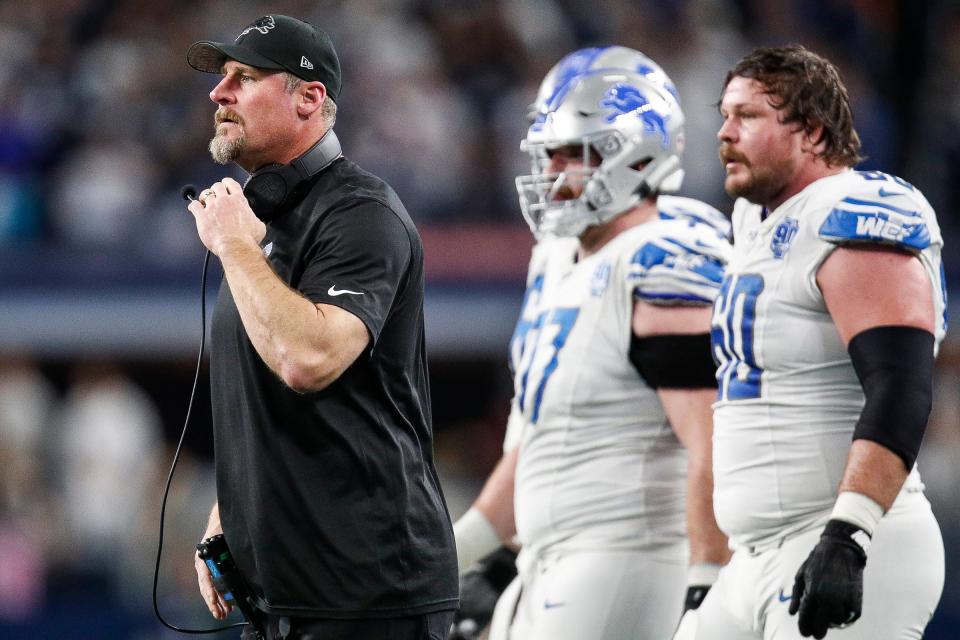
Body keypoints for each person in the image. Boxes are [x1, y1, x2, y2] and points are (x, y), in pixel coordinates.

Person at [183, 15, 458, 640]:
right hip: (285, 597)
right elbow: (267, 391)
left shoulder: (359, 213)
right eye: (222, 77)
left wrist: (233, 246)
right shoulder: (264, 225)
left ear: (309, 98)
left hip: (369, 598)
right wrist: (233, 510)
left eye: (244, 77)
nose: (218, 94)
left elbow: (308, 360)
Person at [450, 46, 733, 640]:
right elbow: (547, 434)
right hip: (550, 557)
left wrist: (709, 580)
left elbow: (713, 444)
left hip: (622, 554)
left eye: (571, 156)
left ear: (634, 156)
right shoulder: (562, 259)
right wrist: (468, 553)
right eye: (547, 154)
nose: (551, 174)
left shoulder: (664, 258)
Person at [674, 45, 946, 640]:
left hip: (840, 536)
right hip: (754, 556)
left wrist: (849, 533)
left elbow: (901, 386)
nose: (723, 132)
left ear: (812, 131)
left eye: (747, 116)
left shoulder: (857, 211)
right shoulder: (755, 223)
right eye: (724, 114)